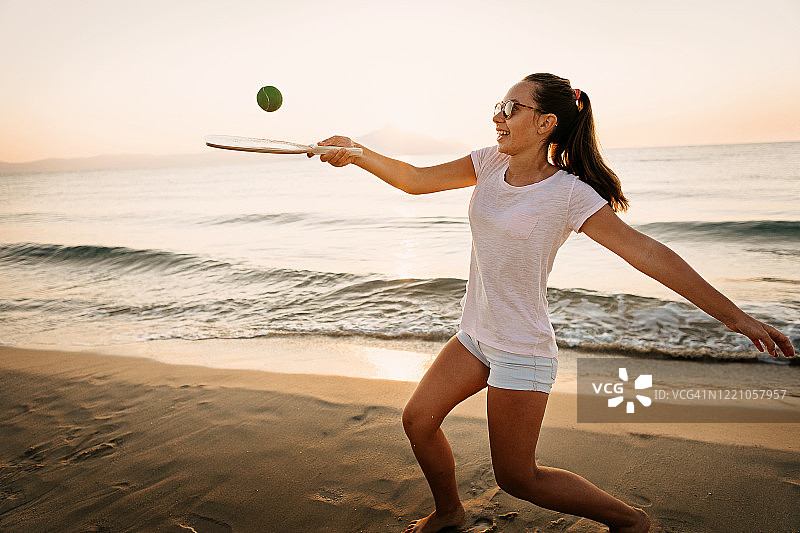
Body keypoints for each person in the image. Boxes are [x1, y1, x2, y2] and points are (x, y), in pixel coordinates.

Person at [310, 73, 796, 533]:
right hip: (476, 335)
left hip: (522, 349)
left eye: (510, 108)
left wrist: (736, 317)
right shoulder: (488, 162)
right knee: (418, 421)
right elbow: (415, 180)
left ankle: (630, 521)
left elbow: (647, 253)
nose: (497, 116)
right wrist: (356, 153)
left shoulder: (569, 194)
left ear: (546, 123)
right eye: (498, 106)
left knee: (518, 479)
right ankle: (450, 512)